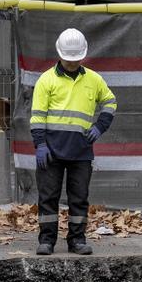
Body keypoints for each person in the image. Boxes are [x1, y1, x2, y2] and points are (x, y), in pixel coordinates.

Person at [29, 28, 117, 255]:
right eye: (68, 59)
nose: (72, 62)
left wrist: (100, 127)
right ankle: (46, 240)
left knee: (79, 199)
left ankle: (77, 240)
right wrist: (40, 144)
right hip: (51, 151)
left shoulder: (94, 80)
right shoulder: (46, 80)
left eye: (76, 59)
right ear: (60, 55)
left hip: (81, 151)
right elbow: (38, 116)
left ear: (82, 56)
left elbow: (110, 102)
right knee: (48, 198)